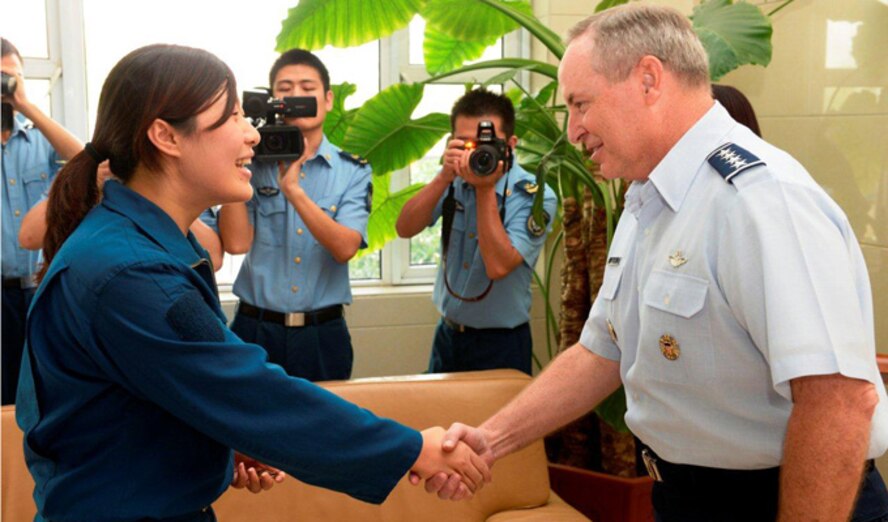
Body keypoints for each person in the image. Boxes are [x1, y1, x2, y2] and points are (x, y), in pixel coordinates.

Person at [423, 5, 888, 521]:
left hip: (776, 501)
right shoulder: (650, 199)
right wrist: (490, 439)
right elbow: (602, 351)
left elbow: (839, 402)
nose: (573, 130)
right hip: (685, 498)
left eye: (581, 104)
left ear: (648, 79)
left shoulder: (759, 200)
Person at [16, 43, 489, 522]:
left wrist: (215, 444)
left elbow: (143, 398)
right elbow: (249, 391)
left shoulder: (142, 246)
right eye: (233, 116)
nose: (252, 135)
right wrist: (414, 449)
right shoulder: (131, 273)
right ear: (166, 136)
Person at [215, 49, 370, 381]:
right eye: (285, 89)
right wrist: (236, 164)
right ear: (273, 100)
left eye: (307, 87)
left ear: (327, 99)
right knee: (248, 428)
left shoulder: (352, 171)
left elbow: (345, 248)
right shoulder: (250, 165)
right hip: (255, 329)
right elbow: (237, 243)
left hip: (322, 334)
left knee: (325, 431)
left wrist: (294, 191)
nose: (296, 95)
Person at [396, 89, 557, 376]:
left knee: (497, 422)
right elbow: (405, 228)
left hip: (502, 344)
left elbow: (498, 266)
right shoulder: (453, 181)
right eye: (465, 142)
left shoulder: (534, 195)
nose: (477, 151)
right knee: (439, 420)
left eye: (487, 143)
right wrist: (442, 177)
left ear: (510, 144)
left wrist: (485, 189)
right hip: (447, 336)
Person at [1, 37, 83, 405]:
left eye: (13, 78)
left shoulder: (38, 140)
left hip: (37, 288)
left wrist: (26, 106)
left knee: (38, 395)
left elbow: (84, 159)